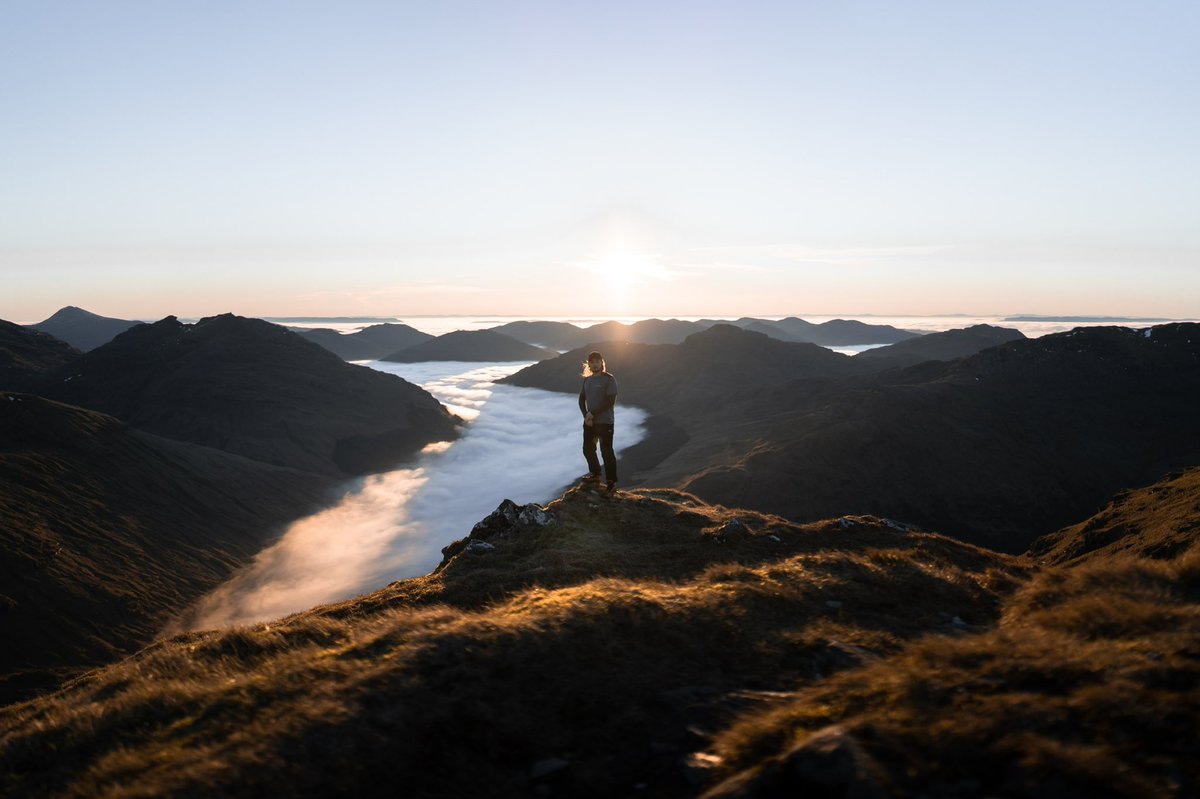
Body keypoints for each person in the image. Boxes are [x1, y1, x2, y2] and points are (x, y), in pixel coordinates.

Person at [579, 350, 618, 495]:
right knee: (587, 449)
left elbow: (610, 402)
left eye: (597, 361)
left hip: (605, 423)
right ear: (588, 364)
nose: (595, 364)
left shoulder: (609, 379)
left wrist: (592, 414)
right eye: (592, 362)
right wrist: (586, 416)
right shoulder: (587, 380)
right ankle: (596, 475)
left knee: (606, 452)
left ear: (602, 363)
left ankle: (611, 483)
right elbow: (581, 400)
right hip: (590, 423)